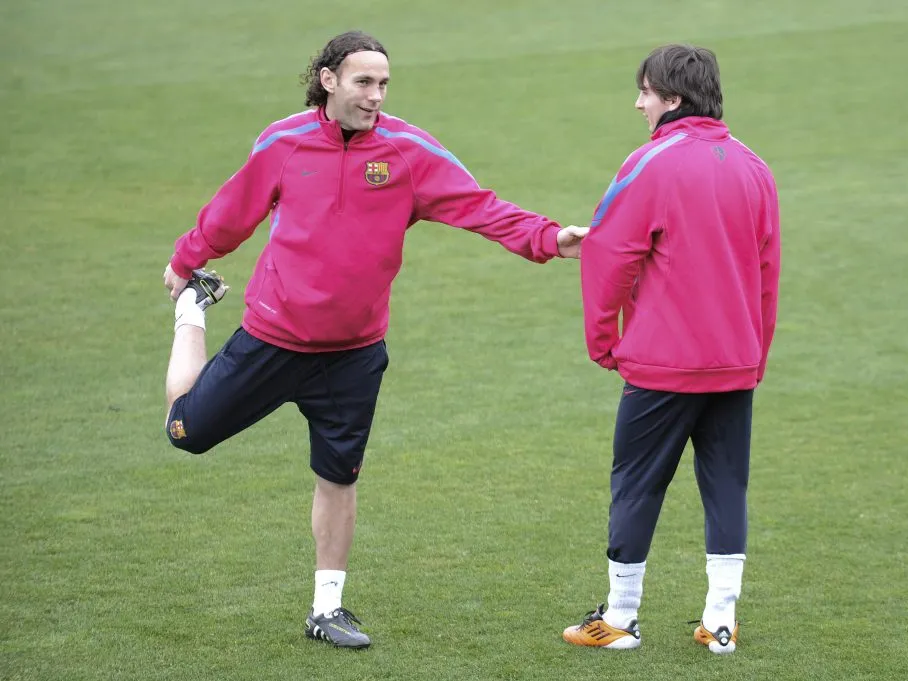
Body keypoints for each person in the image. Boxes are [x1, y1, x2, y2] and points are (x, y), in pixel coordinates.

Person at [161, 30, 588, 650]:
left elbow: (480, 206)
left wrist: (549, 239)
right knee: (186, 433)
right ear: (329, 79)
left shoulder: (409, 152)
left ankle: (326, 609)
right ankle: (195, 311)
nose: (375, 96)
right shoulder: (282, 143)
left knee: (339, 474)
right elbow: (232, 212)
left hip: (355, 354)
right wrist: (186, 262)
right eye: (364, 82)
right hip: (273, 338)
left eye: (383, 84)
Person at [561, 44, 780, 653]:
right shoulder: (754, 167)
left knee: (636, 485)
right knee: (726, 488)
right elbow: (768, 270)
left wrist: (604, 342)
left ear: (672, 100)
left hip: (662, 367)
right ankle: (720, 623)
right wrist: (753, 355)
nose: (638, 103)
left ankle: (622, 619)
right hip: (735, 364)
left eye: (646, 92)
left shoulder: (649, 163)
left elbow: (609, 254)